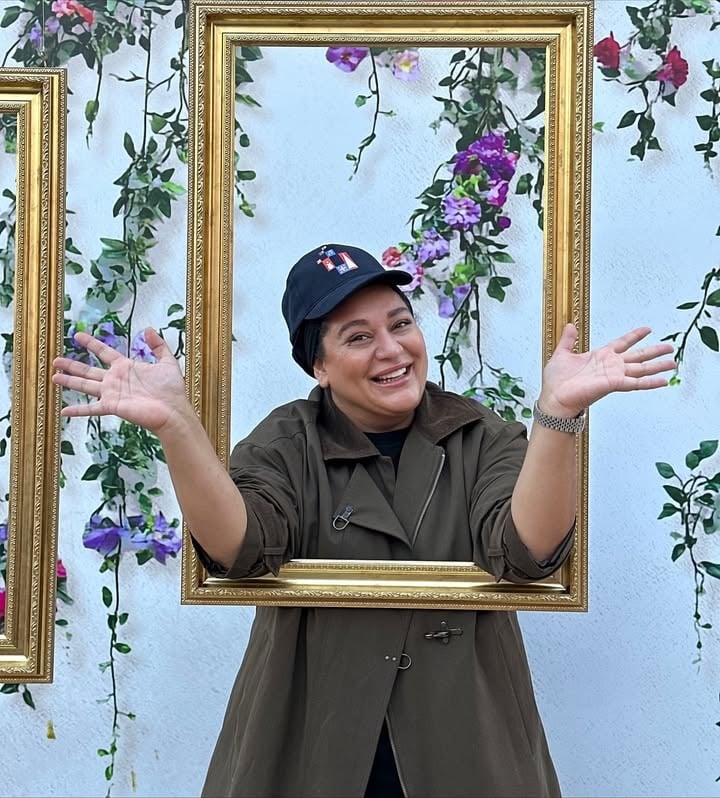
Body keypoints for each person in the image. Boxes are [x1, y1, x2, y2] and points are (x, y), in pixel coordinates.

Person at [52, 243, 675, 798]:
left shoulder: (482, 436)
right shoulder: (285, 442)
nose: (392, 349)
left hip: (468, 748)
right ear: (317, 366)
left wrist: (557, 415)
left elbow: (526, 552)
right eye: (357, 337)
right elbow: (239, 550)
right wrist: (176, 427)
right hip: (308, 746)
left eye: (400, 323)